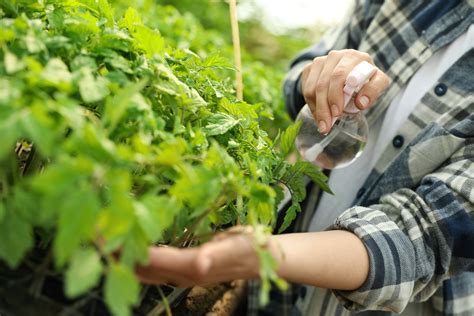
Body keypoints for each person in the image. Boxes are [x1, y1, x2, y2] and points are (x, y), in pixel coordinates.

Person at [136, 0, 474, 315]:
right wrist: (319, 80)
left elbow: (425, 240)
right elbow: (298, 77)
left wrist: (260, 254)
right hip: (273, 295)